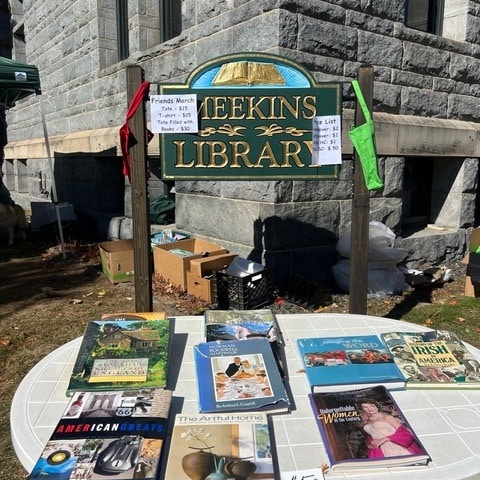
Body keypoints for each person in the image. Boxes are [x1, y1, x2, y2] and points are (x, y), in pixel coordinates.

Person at [359, 399, 424, 458]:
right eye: (365, 407)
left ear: (376, 406)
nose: (370, 409)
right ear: (363, 409)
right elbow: (373, 434)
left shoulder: (386, 417)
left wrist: (385, 439)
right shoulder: (366, 422)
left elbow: (404, 431)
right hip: (380, 447)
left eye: (372, 406)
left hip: (394, 443)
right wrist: (370, 443)